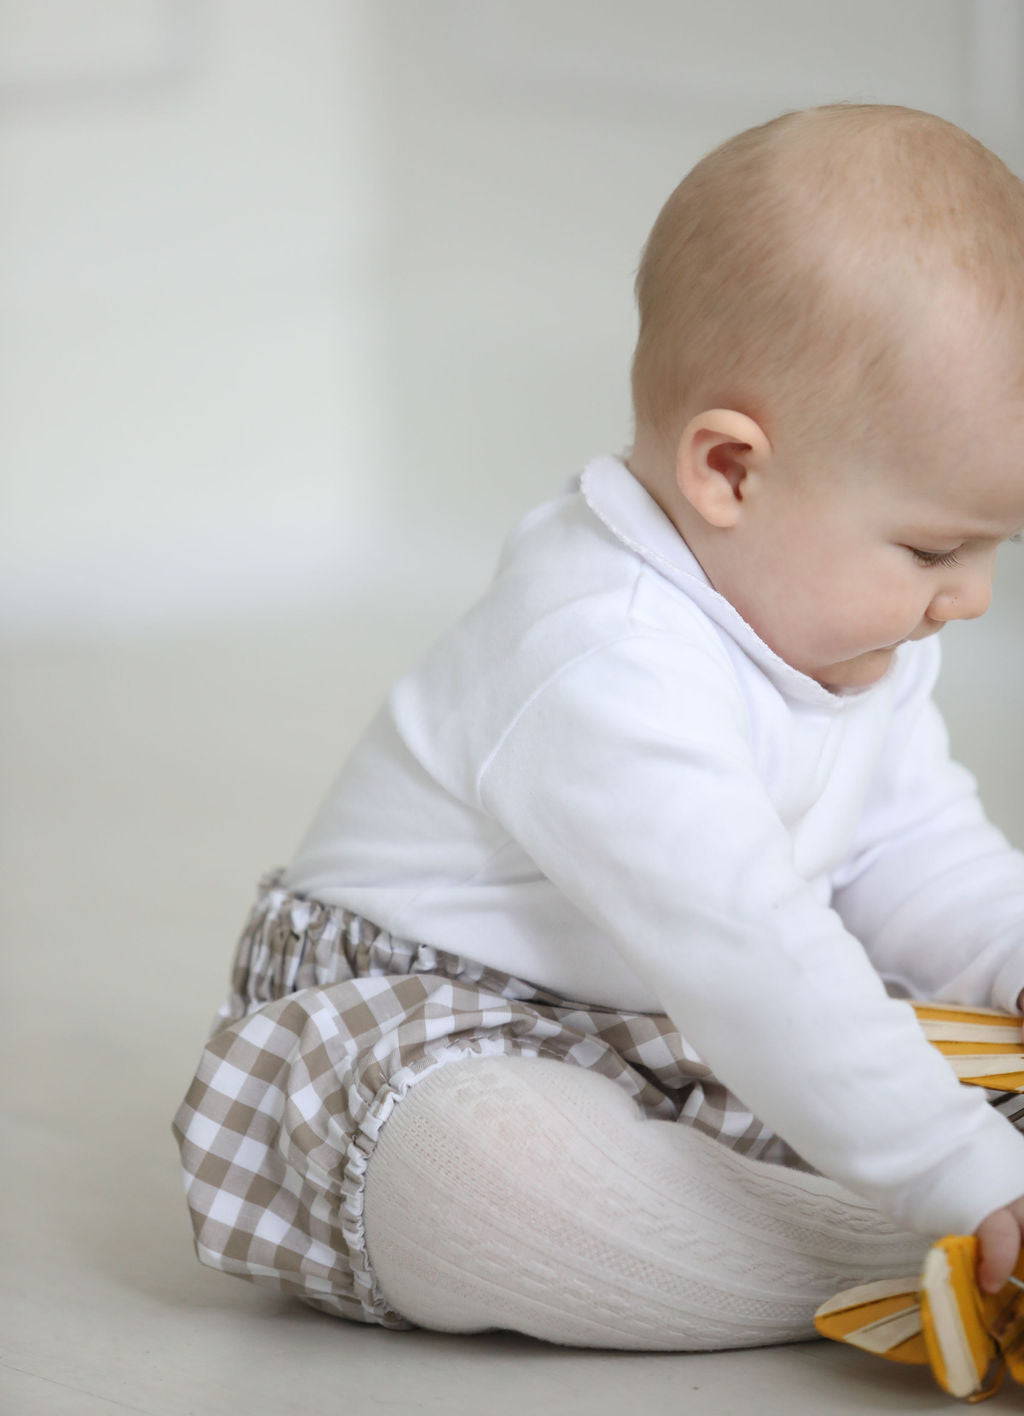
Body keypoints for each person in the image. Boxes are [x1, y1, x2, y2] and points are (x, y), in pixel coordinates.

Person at [174, 104, 1024, 1358]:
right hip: (433, 1031)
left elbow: (914, 854)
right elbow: (750, 944)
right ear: (729, 471)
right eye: (936, 547)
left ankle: (901, 1215)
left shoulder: (853, 633)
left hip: (686, 1030)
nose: (972, 596)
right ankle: (909, 1250)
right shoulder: (599, 653)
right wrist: (958, 1169)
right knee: (490, 1175)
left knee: (907, 1027)